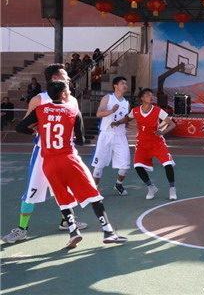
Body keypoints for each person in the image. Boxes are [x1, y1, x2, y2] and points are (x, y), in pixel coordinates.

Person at [16, 80, 127, 248]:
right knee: (93, 194)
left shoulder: (40, 110)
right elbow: (81, 140)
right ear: (63, 94)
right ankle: (108, 231)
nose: (69, 92)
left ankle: (73, 231)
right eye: (67, 90)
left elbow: (20, 127)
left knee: (62, 197)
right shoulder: (73, 111)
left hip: (49, 162)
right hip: (69, 159)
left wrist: (35, 130)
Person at [2, 64, 88, 245]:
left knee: (65, 189)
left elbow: (75, 126)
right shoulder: (39, 99)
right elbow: (26, 123)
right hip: (44, 152)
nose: (69, 78)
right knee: (31, 191)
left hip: (65, 152)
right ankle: (22, 229)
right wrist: (41, 128)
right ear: (55, 78)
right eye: (65, 76)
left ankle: (66, 222)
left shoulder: (72, 100)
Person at [112, 88, 177, 200]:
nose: (151, 97)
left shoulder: (158, 110)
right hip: (142, 144)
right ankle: (151, 187)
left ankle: (172, 189)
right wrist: (118, 122)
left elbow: (172, 124)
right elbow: (127, 118)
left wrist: (163, 132)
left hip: (157, 143)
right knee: (138, 166)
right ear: (142, 98)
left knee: (168, 164)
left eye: (151, 95)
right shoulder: (135, 111)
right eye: (147, 95)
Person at [90, 76, 131, 196]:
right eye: (122, 83)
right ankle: (94, 189)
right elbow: (99, 113)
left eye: (126, 83)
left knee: (125, 165)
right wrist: (112, 111)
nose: (125, 85)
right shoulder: (108, 98)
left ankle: (118, 184)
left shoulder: (126, 103)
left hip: (120, 135)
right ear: (115, 85)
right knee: (99, 164)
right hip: (106, 134)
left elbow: (127, 119)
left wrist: (124, 123)